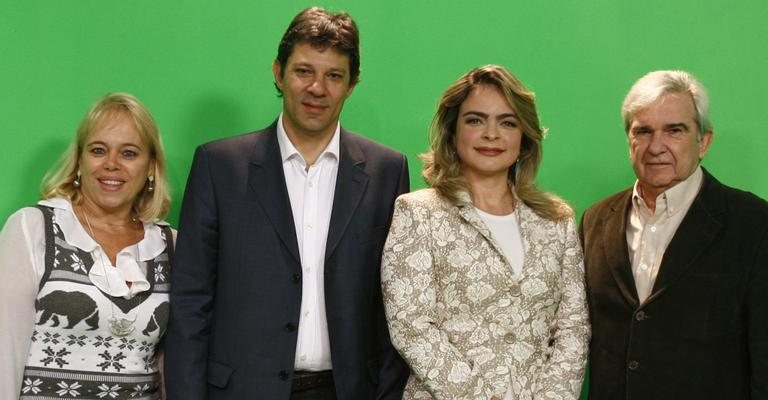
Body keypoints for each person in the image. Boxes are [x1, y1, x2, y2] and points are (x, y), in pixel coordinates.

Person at [163, 7, 410, 400]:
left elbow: (393, 304)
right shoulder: (219, 166)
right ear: (278, 72)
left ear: (352, 84)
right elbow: (192, 302)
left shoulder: (387, 171)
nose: (317, 88)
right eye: (303, 71)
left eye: (334, 76)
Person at [381, 65, 590, 400]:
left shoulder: (556, 221)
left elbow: (573, 328)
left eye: (507, 122)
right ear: (452, 132)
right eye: (475, 120)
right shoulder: (418, 212)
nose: (491, 134)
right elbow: (411, 325)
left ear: (524, 139)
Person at [581, 70, 768, 399]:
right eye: (643, 131)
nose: (656, 146)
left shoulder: (754, 224)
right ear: (629, 141)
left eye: (674, 130)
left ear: (704, 141)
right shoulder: (595, 220)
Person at [0, 92, 174, 399]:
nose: (111, 164)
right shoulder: (33, 228)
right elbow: (4, 351)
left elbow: (169, 364)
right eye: (98, 150)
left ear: (151, 166)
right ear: (79, 160)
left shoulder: (171, 245)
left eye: (129, 153)